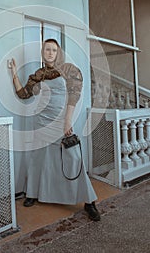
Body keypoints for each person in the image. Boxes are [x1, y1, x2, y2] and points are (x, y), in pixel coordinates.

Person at [10, 38, 101, 221]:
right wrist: (14, 73)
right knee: (38, 158)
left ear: (58, 52)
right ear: (43, 52)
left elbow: (74, 95)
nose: (50, 52)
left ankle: (89, 201)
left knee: (73, 157)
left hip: (61, 122)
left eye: (53, 49)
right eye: (47, 49)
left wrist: (68, 121)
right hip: (41, 122)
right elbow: (24, 94)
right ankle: (32, 194)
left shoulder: (68, 69)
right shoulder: (39, 74)